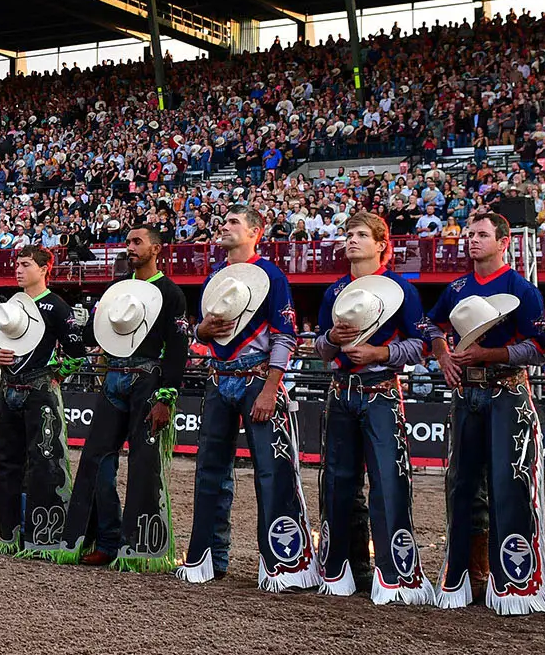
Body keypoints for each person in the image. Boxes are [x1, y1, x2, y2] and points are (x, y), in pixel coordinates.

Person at [421, 213, 545, 614]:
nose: (473, 241)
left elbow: (540, 347)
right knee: (462, 484)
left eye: (482, 235)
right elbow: (430, 324)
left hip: (506, 388)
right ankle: (469, 574)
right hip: (467, 391)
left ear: (504, 240)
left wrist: (489, 354)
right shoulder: (458, 286)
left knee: (508, 483)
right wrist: (443, 354)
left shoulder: (522, 288)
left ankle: (512, 578)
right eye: (469, 235)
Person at [180, 206, 316, 591]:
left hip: (257, 376)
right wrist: (201, 330)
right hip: (221, 375)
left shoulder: (272, 275)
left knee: (271, 470)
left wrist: (272, 386)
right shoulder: (215, 275)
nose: (224, 226)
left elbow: (284, 334)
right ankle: (208, 557)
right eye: (224, 222)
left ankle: (282, 562)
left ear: (255, 231)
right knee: (209, 469)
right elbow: (205, 333)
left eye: (234, 222)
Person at [311, 211, 433, 604]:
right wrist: (330, 337)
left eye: (361, 234)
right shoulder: (333, 291)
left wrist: (382, 351)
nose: (351, 240)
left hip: (380, 388)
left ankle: (395, 573)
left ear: (381, 244)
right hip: (341, 389)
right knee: (336, 481)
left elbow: (422, 344)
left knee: (388, 480)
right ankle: (340, 568)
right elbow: (317, 347)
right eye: (348, 234)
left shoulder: (403, 290)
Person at [57, 224, 189, 571]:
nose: (129, 247)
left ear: (156, 249)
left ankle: (137, 544)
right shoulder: (116, 288)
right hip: (116, 373)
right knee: (96, 459)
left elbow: (177, 348)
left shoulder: (171, 293)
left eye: (136, 242)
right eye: (127, 242)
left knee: (144, 463)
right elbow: (89, 334)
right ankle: (108, 540)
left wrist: (166, 396)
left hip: (148, 378)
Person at [0, 246, 85, 557]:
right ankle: (10, 534)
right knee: (6, 462)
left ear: (45, 269)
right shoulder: (12, 306)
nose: (18, 269)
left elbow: (77, 355)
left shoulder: (57, 307)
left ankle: (43, 536)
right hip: (11, 387)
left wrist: (53, 375)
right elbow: (2, 348)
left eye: (26, 264)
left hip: (38, 390)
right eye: (17, 264)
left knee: (44, 462)